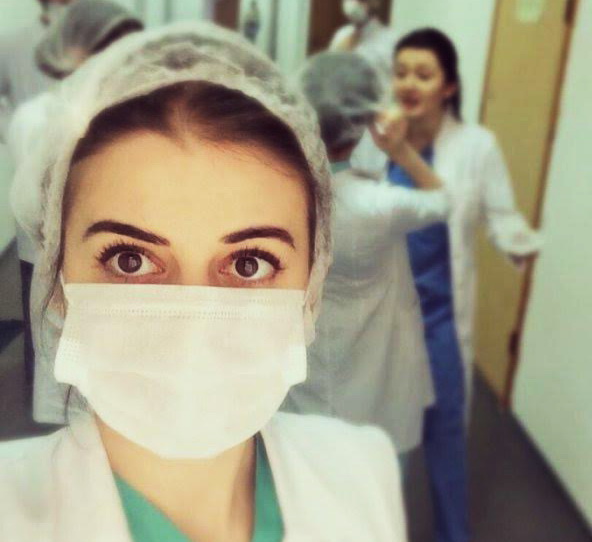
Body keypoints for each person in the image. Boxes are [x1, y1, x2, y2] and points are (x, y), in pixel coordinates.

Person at [0, 22, 407, 541]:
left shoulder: (364, 474)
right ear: (57, 280)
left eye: (249, 264)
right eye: (129, 260)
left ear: (312, 286)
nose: (190, 327)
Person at [387, 28, 542, 542]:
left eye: (423, 74)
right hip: (386, 319)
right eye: (401, 72)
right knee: (381, 447)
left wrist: (518, 241)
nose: (409, 84)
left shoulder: (477, 146)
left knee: (446, 442)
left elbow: (501, 214)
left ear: (448, 86)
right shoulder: (378, 141)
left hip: (439, 324)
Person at [283, 51, 450, 468]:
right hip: (374, 371)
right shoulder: (377, 204)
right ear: (363, 123)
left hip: (306, 366)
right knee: (371, 474)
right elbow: (443, 200)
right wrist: (400, 149)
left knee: (306, 469)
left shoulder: (284, 192)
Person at [7, 0, 143, 394]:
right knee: (55, 339)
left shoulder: (107, 110)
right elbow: (39, 201)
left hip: (99, 252)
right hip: (54, 251)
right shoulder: (42, 118)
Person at [330, 0, 399, 182]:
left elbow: (396, 91)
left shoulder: (391, 41)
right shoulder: (342, 36)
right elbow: (329, 79)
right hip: (342, 131)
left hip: (375, 133)